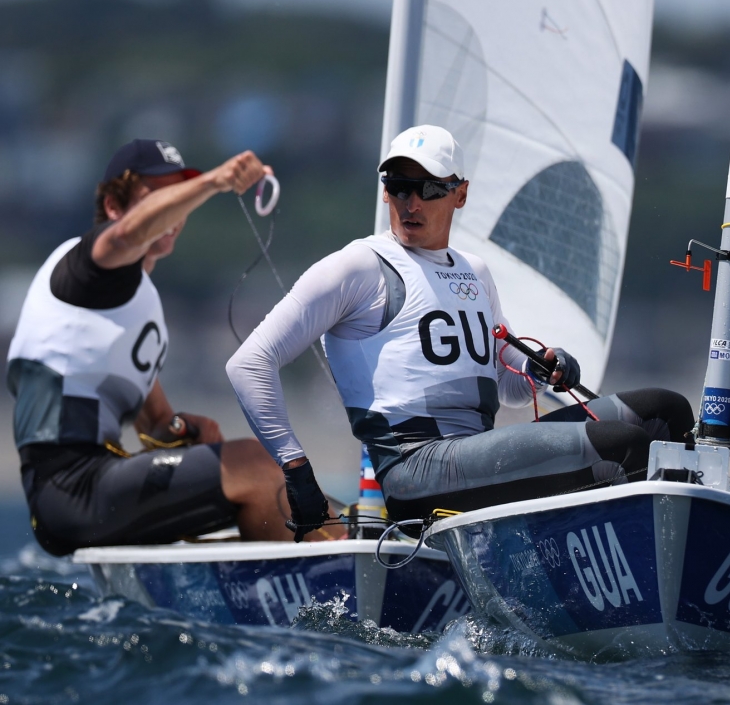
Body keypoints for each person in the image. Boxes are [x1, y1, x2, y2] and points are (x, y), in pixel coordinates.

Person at [226, 124, 694, 539]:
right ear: (385, 191)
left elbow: (509, 386)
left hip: (473, 454)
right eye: (399, 186)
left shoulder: (474, 272)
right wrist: (296, 468)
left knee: (664, 412)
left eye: (429, 188)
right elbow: (249, 363)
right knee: (618, 447)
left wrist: (545, 365)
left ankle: (685, 551)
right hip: (415, 469)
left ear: (460, 194)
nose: (411, 203)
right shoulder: (357, 268)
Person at [6, 139, 342, 556]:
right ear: (113, 206)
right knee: (253, 464)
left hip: (96, 488)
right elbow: (127, 234)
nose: (175, 209)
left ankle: (330, 546)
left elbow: (155, 423)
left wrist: (184, 429)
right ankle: (335, 565)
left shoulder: (137, 305)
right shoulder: (84, 266)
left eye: (178, 194)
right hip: (68, 490)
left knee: (260, 469)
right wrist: (215, 181)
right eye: (158, 196)